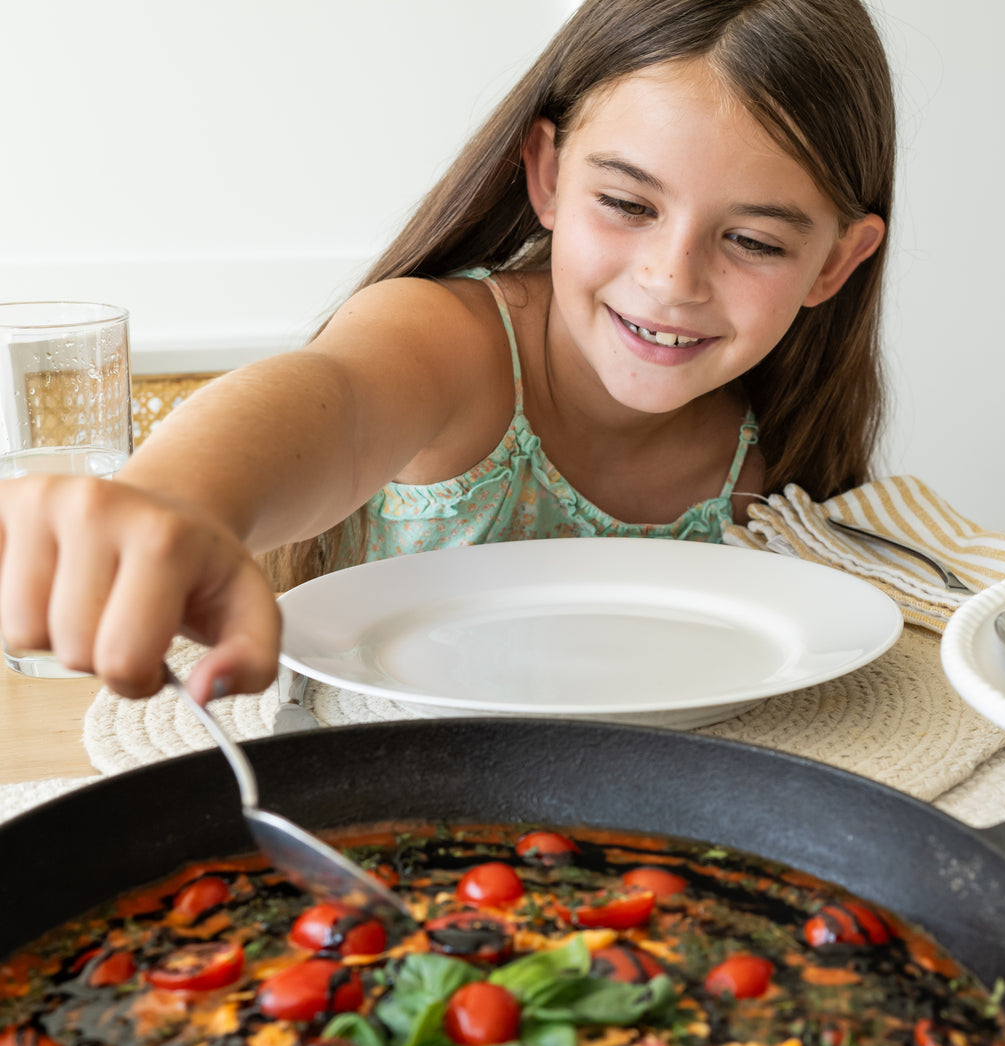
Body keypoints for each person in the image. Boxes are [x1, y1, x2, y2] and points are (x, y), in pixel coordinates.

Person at [0, 0, 895, 704]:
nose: (672, 278)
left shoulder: (779, 440)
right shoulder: (453, 345)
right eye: (627, 204)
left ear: (834, 263)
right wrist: (175, 502)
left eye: (755, 242)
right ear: (548, 174)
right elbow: (338, 399)